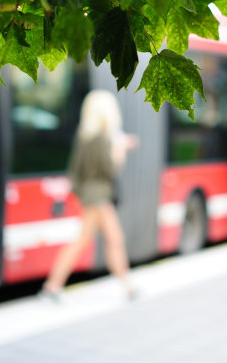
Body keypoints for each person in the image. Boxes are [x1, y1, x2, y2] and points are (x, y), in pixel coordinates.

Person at [41, 90, 138, 301]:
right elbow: (111, 168)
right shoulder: (99, 139)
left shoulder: (85, 136)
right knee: (105, 239)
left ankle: (127, 286)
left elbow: (76, 169)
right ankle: (52, 286)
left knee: (103, 239)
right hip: (99, 197)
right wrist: (121, 148)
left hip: (92, 195)